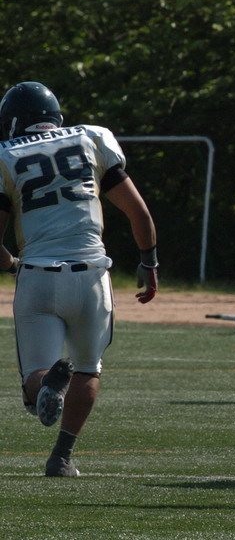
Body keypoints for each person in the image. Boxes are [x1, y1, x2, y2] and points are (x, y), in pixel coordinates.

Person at [0, 81, 158, 477]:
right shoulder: (92, 138)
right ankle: (62, 457)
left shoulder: (5, 156)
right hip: (92, 277)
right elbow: (139, 214)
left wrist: (11, 264)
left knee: (34, 380)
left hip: (38, 276)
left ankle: (47, 385)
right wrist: (149, 262)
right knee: (88, 368)